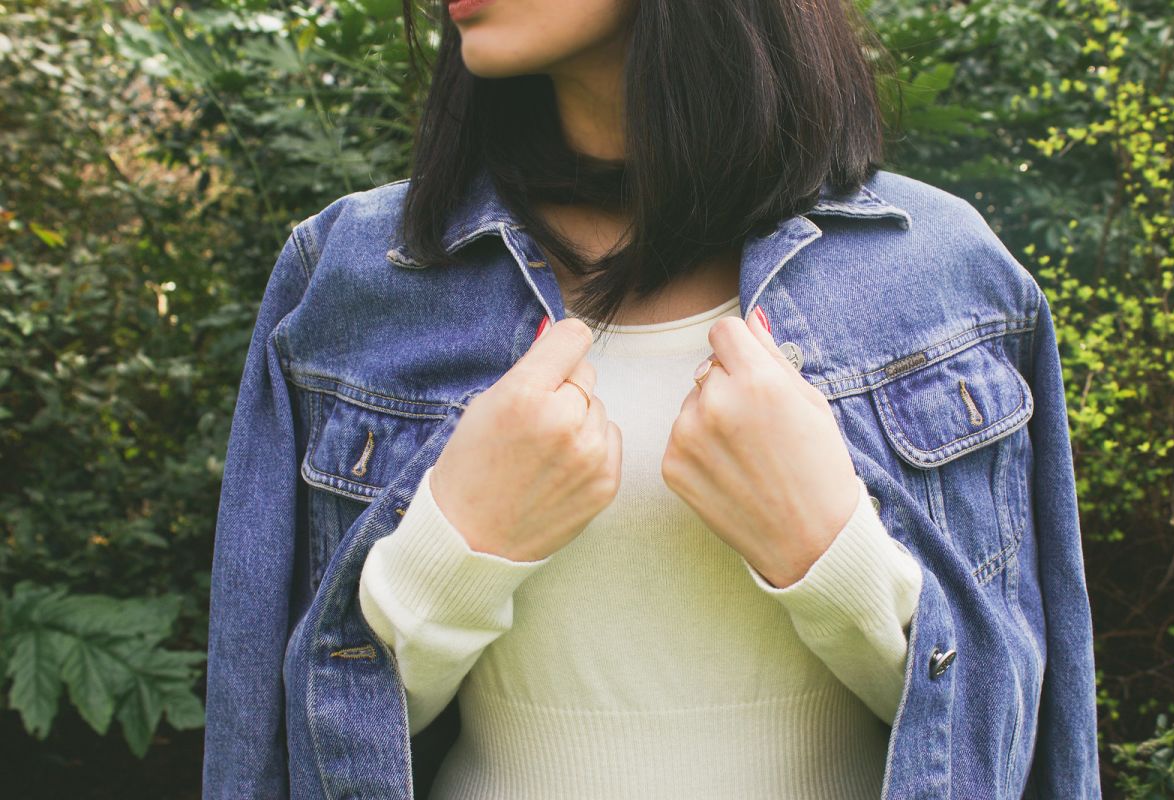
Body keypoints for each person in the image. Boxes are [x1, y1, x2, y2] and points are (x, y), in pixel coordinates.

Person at [201, 0, 1103, 798]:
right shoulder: (354, 277)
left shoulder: (945, 271)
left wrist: (836, 561)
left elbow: (1031, 741)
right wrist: (450, 556)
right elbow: (269, 749)